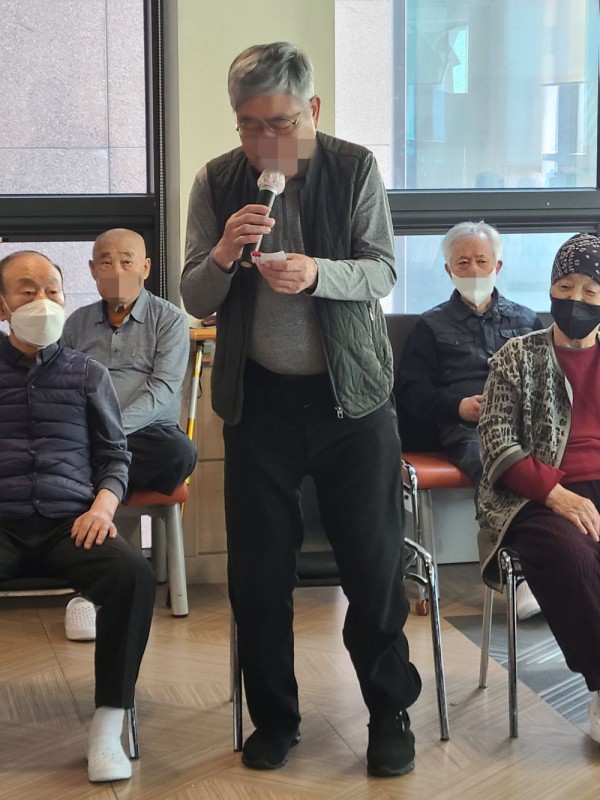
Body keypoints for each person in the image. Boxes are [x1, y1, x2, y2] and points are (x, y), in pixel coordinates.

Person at [181, 42, 421, 777]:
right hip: (260, 403)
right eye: (249, 125)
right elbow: (193, 294)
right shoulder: (217, 180)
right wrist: (223, 254)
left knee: (373, 569)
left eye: (280, 123)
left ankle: (388, 713)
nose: (265, 141)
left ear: (312, 109)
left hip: (353, 401)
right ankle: (275, 719)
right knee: (259, 575)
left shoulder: (354, 168)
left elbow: (382, 269)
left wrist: (319, 272)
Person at [0, 250, 155, 783]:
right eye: (26, 290)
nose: (42, 300)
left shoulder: (88, 373)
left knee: (132, 574)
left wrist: (103, 507)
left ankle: (108, 726)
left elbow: (115, 455)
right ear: (2, 306)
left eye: (52, 290)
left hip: (71, 523)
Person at [477, 232, 600, 742]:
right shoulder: (516, 356)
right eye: (565, 287)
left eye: (590, 290)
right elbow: (496, 442)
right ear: (550, 289)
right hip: (534, 496)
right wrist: (555, 493)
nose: (576, 300)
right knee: (572, 556)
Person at [396, 221, 543, 620]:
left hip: (524, 425)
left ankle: (564, 566)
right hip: (466, 429)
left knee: (566, 460)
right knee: (498, 463)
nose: (474, 270)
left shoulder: (527, 320)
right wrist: (457, 406)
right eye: (463, 263)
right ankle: (519, 572)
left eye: (482, 261)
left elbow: (548, 379)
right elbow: (410, 392)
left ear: (498, 266)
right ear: (449, 270)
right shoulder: (430, 326)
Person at [61, 228, 197, 640]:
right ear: (92, 269)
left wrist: (107, 431)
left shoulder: (168, 319)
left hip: (148, 437)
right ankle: (90, 591)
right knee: (58, 454)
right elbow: (64, 384)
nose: (116, 270)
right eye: (106, 262)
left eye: (126, 261)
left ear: (146, 267)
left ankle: (96, 503)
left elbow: (162, 390)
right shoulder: (76, 323)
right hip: (90, 439)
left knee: (179, 451)